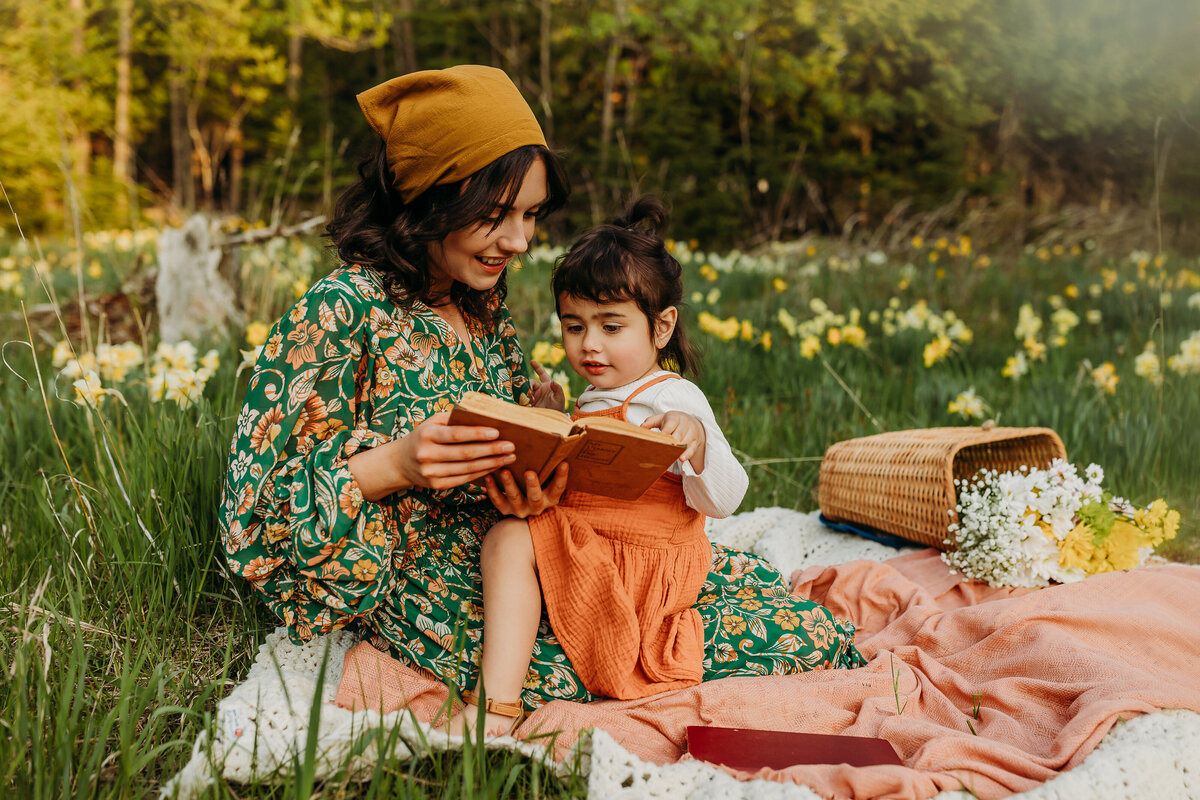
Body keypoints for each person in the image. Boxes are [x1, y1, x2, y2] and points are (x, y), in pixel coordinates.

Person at [220, 65, 863, 740]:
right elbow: (253, 521)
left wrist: (532, 483)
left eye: (529, 216)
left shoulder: (482, 306)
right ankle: (496, 710)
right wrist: (398, 466)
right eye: (496, 216)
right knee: (645, 655)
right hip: (439, 586)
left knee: (778, 621)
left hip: (536, 544)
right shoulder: (341, 312)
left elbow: (514, 448)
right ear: (429, 199)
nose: (521, 242)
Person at [448, 197, 864, 736]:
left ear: (661, 327)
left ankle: (495, 706)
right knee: (508, 535)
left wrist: (696, 447)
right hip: (600, 539)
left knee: (507, 540)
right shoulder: (599, 393)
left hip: (643, 561)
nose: (589, 345)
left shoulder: (673, 397)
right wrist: (551, 422)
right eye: (573, 327)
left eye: (611, 327)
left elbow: (727, 498)